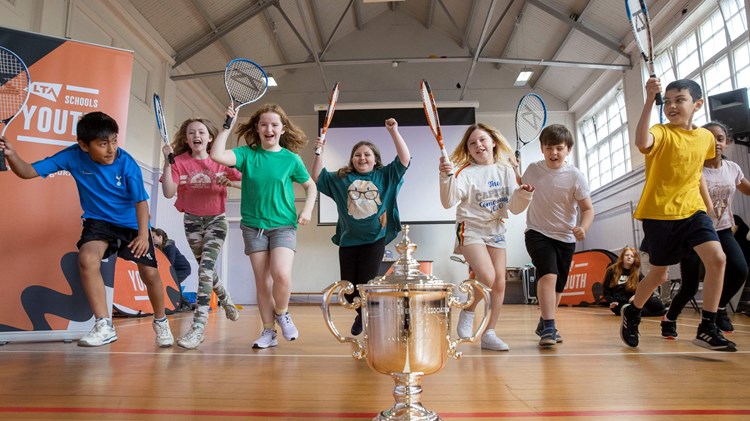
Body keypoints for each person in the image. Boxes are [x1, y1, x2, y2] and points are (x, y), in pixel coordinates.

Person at [0, 112, 174, 347]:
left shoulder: (126, 162)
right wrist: (12, 155)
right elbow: (28, 171)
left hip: (132, 224)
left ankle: (161, 321)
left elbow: (141, 203)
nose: (111, 149)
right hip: (99, 222)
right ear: (83, 145)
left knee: (150, 275)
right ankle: (104, 325)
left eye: (114, 140)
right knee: (87, 258)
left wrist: (144, 234)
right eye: (103, 144)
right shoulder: (72, 156)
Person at [620, 78, 735, 352]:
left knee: (718, 259)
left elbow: (698, 175)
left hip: (693, 211)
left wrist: (706, 206)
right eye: (668, 101)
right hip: (660, 214)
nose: (672, 105)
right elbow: (641, 141)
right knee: (659, 276)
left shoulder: (706, 138)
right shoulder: (661, 132)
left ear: (697, 104)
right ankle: (633, 311)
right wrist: (649, 100)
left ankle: (708, 326)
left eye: (679, 100)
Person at [211, 104, 316, 349]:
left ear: (282, 129)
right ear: (257, 128)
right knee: (262, 281)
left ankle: (282, 312)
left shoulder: (291, 159)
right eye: (264, 124)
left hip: (283, 226)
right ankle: (268, 332)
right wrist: (227, 124)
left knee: (281, 275)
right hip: (253, 226)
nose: (269, 128)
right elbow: (217, 155)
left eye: (274, 124)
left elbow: (311, 185)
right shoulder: (247, 154)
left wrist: (308, 209)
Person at [439, 123, 534, 351]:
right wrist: (445, 176)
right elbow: (448, 202)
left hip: (496, 229)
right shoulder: (464, 172)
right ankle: (469, 310)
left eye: (482, 140)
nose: (478, 145)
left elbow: (515, 207)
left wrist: (524, 194)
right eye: (472, 143)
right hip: (470, 229)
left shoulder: (506, 170)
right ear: (468, 150)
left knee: (500, 283)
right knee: (488, 276)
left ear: (493, 142)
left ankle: (489, 333)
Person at [310, 118, 410, 336]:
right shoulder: (342, 178)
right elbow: (317, 176)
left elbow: (404, 159)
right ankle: (363, 315)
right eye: (357, 155)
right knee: (348, 291)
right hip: (348, 240)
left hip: (375, 239)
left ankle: (367, 319)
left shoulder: (385, 175)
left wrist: (394, 132)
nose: (362, 158)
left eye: (367, 154)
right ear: (352, 159)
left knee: (367, 283)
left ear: (375, 160)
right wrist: (319, 152)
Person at [158, 117, 242, 350]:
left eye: (202, 132)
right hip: (192, 222)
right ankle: (225, 299)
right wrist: (167, 163)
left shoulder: (220, 161)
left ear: (210, 137)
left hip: (217, 220)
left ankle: (198, 327)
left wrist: (232, 183)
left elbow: (250, 183)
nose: (197, 136)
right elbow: (167, 192)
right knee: (207, 271)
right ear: (186, 139)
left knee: (204, 270)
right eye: (191, 132)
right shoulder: (179, 162)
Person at [662, 121, 750, 337]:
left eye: (720, 138)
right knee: (690, 287)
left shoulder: (732, 168)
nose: (716, 143)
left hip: (722, 230)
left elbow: (747, 190)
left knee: (740, 269)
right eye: (710, 139)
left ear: (727, 142)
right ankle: (669, 318)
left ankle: (718, 309)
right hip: (695, 233)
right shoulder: (694, 169)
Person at [521, 124, 594, 347]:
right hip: (537, 232)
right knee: (548, 275)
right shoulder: (533, 169)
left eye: (559, 148)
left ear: (568, 149)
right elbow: (520, 190)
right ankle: (550, 325)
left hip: (565, 237)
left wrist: (584, 227)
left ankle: (545, 322)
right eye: (549, 148)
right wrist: (514, 173)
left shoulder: (575, 176)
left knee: (559, 286)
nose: (554, 153)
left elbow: (588, 209)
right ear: (542, 149)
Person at [603, 247, 665, 317]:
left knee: (658, 304)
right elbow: (606, 290)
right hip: (620, 303)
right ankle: (662, 312)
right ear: (622, 257)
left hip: (634, 301)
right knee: (633, 312)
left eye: (632, 256)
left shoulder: (637, 273)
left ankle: (662, 311)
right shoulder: (612, 270)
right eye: (627, 255)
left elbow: (648, 289)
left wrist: (636, 296)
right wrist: (611, 302)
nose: (629, 257)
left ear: (634, 259)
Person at [151, 227, 192, 312]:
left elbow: (169, 263)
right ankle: (183, 304)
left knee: (174, 284)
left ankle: (184, 304)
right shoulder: (160, 248)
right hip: (175, 269)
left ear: (160, 237)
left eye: (153, 237)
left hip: (183, 269)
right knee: (173, 284)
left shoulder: (169, 247)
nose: (152, 240)